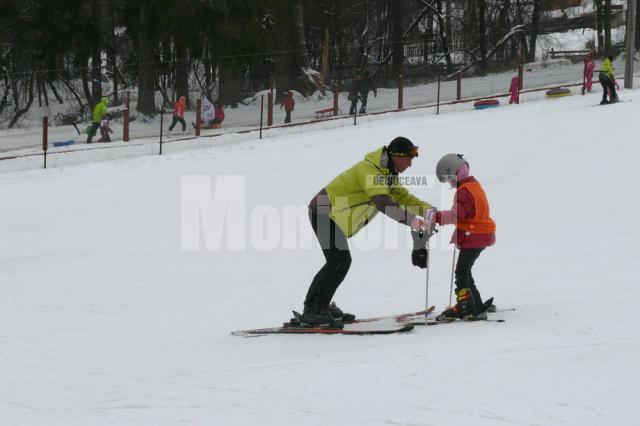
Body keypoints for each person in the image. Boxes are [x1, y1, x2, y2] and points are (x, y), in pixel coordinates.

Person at [297, 137, 437, 327]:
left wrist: (431, 212)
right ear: (396, 156)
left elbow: (404, 198)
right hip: (322, 210)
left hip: (329, 214)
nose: (410, 165)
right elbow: (383, 202)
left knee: (338, 260)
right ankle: (313, 310)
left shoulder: (387, 174)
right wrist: (412, 220)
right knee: (339, 260)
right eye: (409, 159)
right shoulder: (368, 170)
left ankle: (319, 306)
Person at [433, 154, 496, 321]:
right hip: (480, 235)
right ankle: (475, 303)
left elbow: (456, 215)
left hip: (473, 236)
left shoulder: (464, 191)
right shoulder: (474, 186)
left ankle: (466, 307)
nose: (450, 183)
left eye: (450, 179)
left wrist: (436, 217)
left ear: (457, 174)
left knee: (461, 272)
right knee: (465, 271)